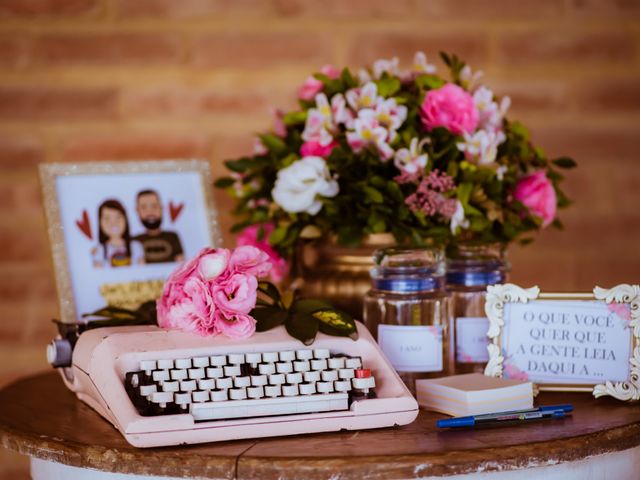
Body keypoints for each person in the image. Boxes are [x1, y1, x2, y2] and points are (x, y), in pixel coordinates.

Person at [133, 189, 184, 263]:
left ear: (161, 208)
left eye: (154, 206)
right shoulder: (135, 241)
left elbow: (181, 262)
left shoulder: (172, 237)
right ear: (137, 210)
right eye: (144, 207)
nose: (150, 212)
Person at [91, 199, 144, 268]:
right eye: (107, 219)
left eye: (118, 217)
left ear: (125, 219)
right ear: (100, 223)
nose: (113, 223)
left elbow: (142, 269)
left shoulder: (135, 246)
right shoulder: (99, 250)